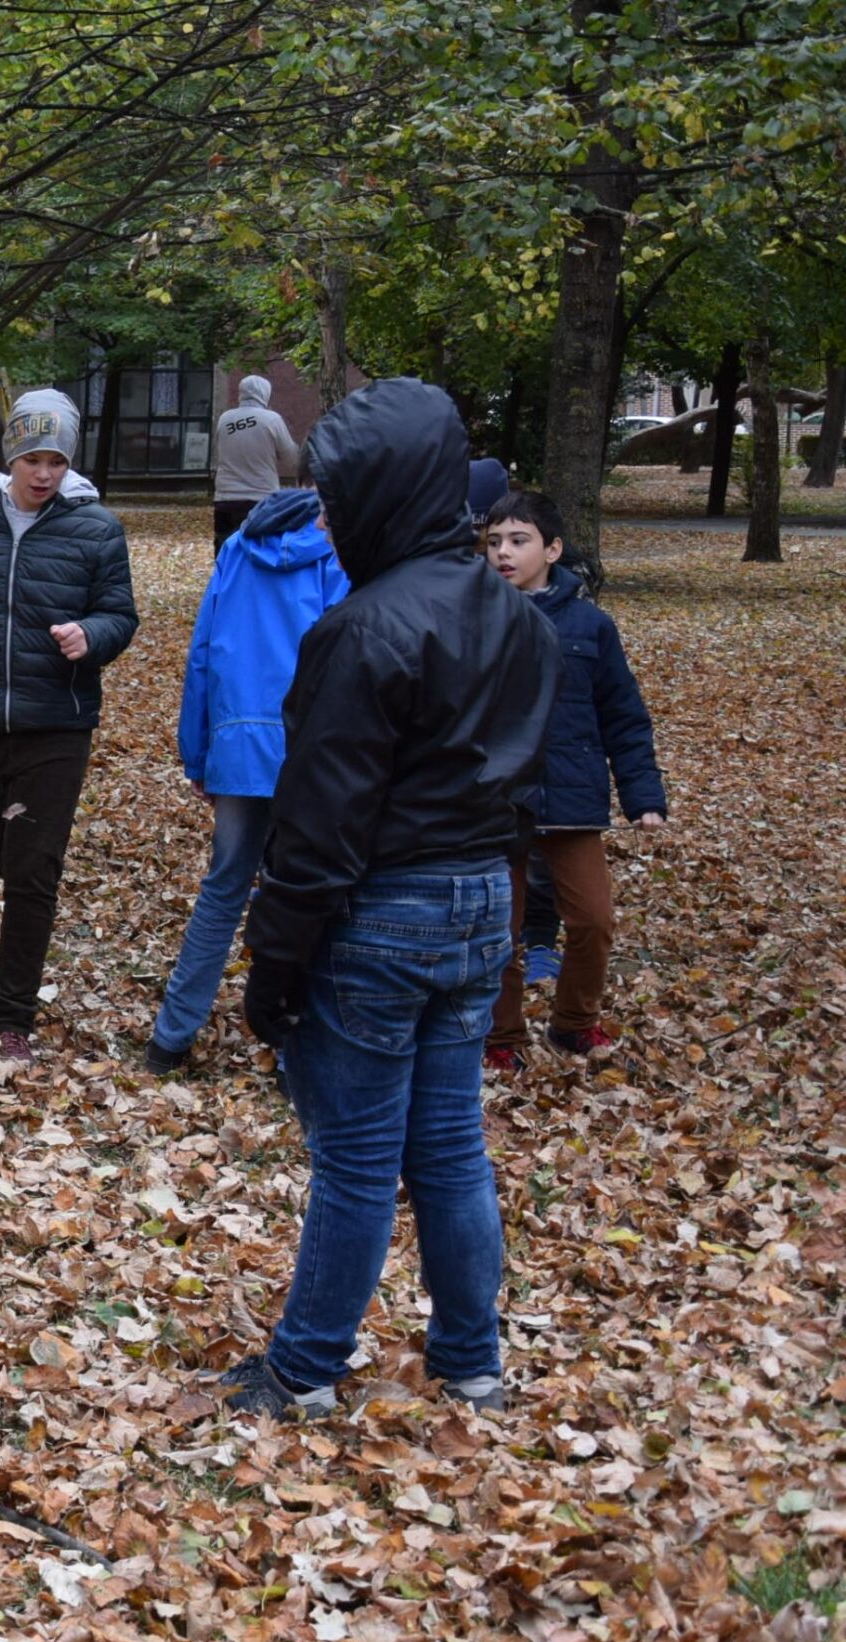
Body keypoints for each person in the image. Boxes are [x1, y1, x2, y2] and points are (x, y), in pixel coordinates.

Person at [222, 377, 557, 1419]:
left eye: (336, 494)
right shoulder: (515, 614)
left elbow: (316, 836)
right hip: (474, 906)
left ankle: (305, 1367)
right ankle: (471, 1358)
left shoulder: (361, 632)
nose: (323, 516)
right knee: (449, 1145)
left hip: (387, 910)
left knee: (363, 1158)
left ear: (384, 492)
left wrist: (271, 977)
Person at [0, 390, 139, 1063]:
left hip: (55, 725)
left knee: (33, 873)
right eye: (32, 458)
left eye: (55, 460)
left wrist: (92, 634)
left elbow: (120, 614)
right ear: (10, 453)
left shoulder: (97, 528)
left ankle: (12, 1011)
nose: (43, 473)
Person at [143, 487, 350, 1074]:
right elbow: (344, 657)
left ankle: (171, 1037)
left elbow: (204, 650)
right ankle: (296, 1054)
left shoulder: (237, 547)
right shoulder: (339, 558)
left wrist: (199, 751)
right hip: (311, 751)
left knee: (224, 888)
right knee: (308, 896)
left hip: (240, 743)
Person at [480, 489, 666, 1069]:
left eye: (518, 540)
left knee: (592, 922)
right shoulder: (475, 618)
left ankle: (573, 1023)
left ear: (553, 549)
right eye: (493, 543)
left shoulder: (591, 626)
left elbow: (623, 714)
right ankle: (500, 1037)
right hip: (495, 801)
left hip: (571, 796)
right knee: (498, 932)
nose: (504, 553)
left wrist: (644, 797)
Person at [210, 375, 301, 546]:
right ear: (265, 393)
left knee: (225, 549)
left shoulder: (224, 419)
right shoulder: (271, 419)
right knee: (260, 549)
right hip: (261, 498)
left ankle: (226, 573)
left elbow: (219, 451)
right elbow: (292, 459)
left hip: (225, 497)